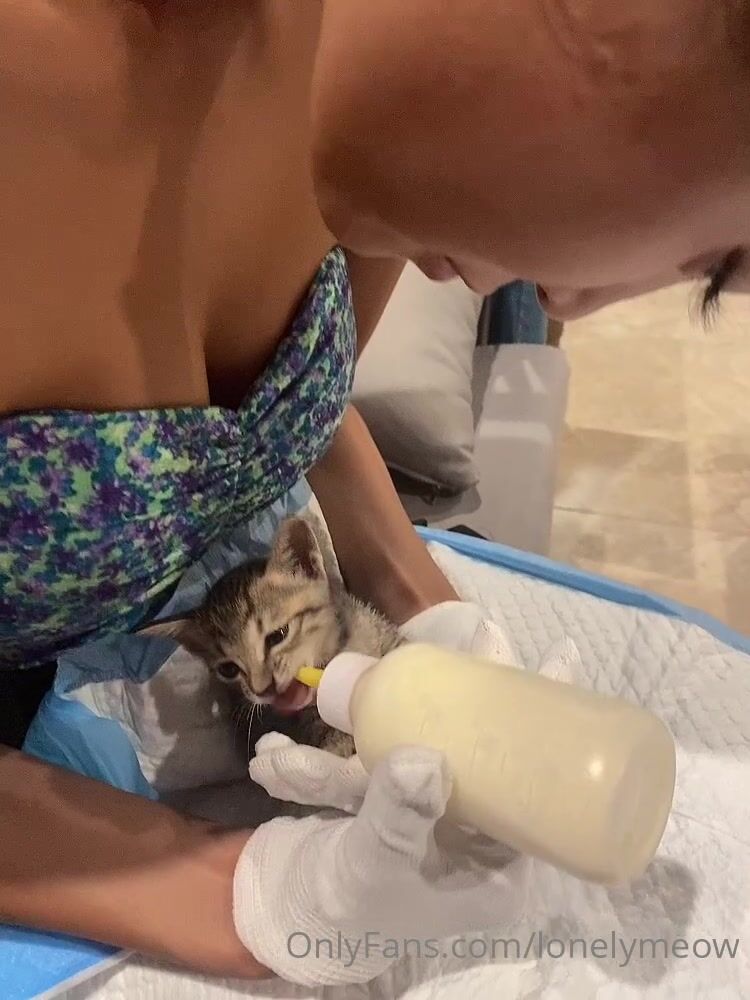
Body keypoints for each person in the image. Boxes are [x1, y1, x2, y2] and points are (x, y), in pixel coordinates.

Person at [1, 0, 748, 983]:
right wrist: (254, 894)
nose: (572, 302)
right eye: (717, 269)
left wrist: (423, 607)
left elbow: (281, 406)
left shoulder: (369, 93)